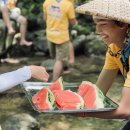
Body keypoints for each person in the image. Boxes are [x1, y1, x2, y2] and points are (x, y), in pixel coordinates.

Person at [75, 0, 130, 128]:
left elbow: (125, 110)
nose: (97, 30)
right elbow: (98, 93)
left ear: (123, 24)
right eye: (96, 24)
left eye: (103, 24)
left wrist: (81, 113)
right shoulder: (114, 49)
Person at [43, 0, 77, 81]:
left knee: (56, 59)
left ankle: (59, 78)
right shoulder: (68, 5)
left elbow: (45, 18)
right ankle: (54, 82)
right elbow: (73, 22)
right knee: (60, 60)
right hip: (61, 37)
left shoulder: (47, 2)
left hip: (50, 35)